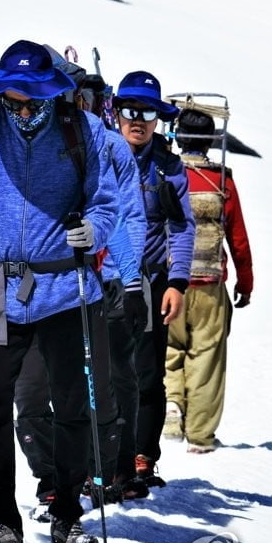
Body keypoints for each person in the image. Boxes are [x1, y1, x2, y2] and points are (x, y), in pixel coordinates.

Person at [0, 40, 118, 543]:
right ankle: (2, 522)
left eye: (33, 100)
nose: (23, 110)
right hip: (0, 292)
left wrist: (94, 229)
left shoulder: (81, 129)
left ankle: (67, 512)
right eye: (14, 100)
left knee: (70, 405)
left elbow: (108, 200)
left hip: (66, 288)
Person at [12, 69, 151, 511]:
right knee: (35, 391)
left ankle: (109, 470)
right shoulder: (22, 140)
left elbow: (127, 215)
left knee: (106, 386)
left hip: (102, 284)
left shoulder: (108, 146)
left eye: (87, 97)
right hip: (42, 285)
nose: (80, 105)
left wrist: (131, 282)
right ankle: (54, 475)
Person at [114, 70, 196, 485]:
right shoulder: (99, 157)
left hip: (150, 282)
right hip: (103, 282)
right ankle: (108, 454)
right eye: (129, 109)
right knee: (106, 372)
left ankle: (143, 455)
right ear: (115, 111)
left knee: (147, 373)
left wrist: (177, 283)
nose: (137, 119)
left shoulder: (168, 167)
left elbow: (182, 228)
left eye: (146, 112)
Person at [164, 108, 253, 453]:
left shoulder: (167, 173)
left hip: (170, 281)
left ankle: (171, 403)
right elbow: (238, 239)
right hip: (209, 283)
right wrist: (245, 282)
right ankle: (200, 436)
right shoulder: (222, 181)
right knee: (206, 357)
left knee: (168, 349)